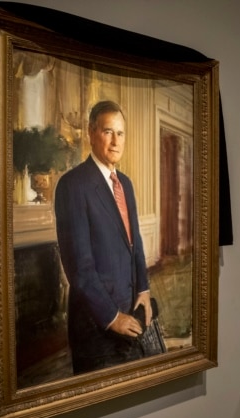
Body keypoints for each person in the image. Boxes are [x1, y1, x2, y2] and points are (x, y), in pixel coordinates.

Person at [54, 100, 152, 374]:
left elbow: (135, 244)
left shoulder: (126, 185)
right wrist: (111, 317)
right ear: (91, 132)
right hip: (96, 324)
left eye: (120, 133)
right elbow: (79, 268)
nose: (115, 141)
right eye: (108, 131)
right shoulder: (73, 186)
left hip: (130, 313)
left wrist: (143, 289)